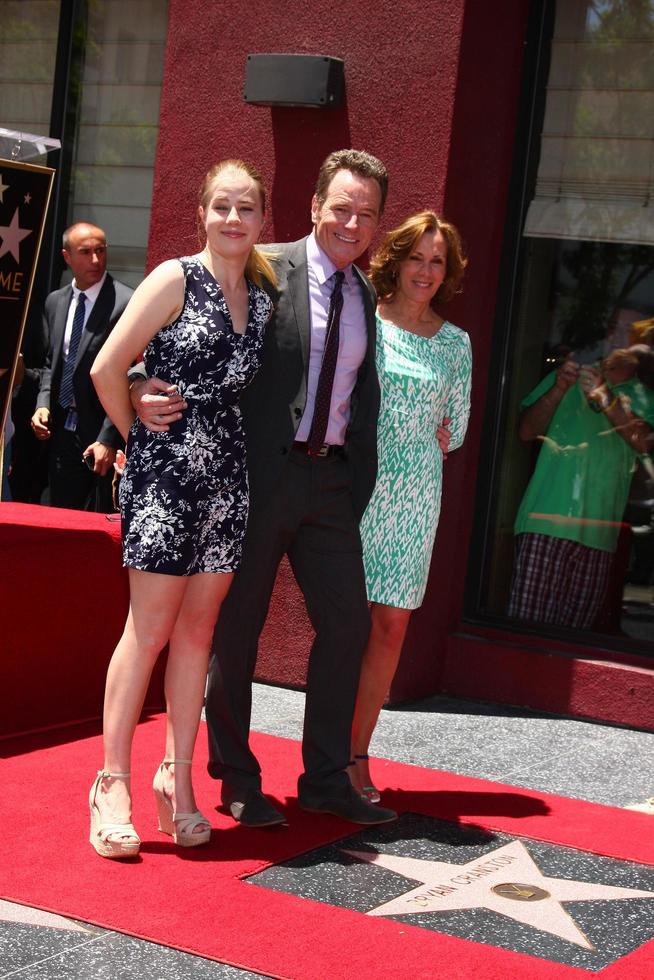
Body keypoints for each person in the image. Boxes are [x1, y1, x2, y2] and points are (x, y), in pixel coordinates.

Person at [131, 149, 398, 828]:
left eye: (366, 213)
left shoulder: (364, 293)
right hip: (254, 478)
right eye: (340, 206)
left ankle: (326, 777)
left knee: (348, 624)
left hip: (330, 484)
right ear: (314, 207)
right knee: (236, 629)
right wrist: (137, 387)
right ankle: (237, 776)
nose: (351, 221)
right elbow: (181, 335)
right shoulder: (263, 265)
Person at [87, 159, 273, 859]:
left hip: (227, 480)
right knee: (150, 630)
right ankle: (111, 784)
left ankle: (179, 783)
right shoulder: (174, 278)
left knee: (199, 634)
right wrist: (140, 433)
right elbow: (107, 367)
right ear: (202, 211)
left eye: (246, 208)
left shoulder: (261, 296)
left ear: (262, 219)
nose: (233, 219)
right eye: (221, 205)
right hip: (166, 483)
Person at [348, 210, 472, 802]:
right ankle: (323, 748)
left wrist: (443, 430)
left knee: (391, 626)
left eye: (437, 260)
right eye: (417, 256)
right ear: (395, 259)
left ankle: (354, 754)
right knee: (346, 623)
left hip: (417, 492)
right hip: (355, 487)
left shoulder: (456, 343)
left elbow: (459, 428)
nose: (425, 270)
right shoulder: (362, 322)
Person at [508, 348, 654, 630]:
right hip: (545, 521)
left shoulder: (645, 395)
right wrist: (558, 389)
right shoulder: (567, 376)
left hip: (599, 532)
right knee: (525, 634)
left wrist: (604, 395)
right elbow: (526, 431)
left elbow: (644, 441)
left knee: (572, 641)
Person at [31, 223, 133, 512]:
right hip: (62, 432)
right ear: (66, 256)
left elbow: (130, 374)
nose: (96, 260)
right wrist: (42, 403)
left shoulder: (125, 302)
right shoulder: (55, 301)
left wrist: (108, 438)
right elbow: (53, 362)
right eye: (86, 252)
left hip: (103, 435)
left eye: (101, 251)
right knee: (61, 519)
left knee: (99, 524)